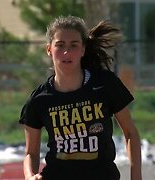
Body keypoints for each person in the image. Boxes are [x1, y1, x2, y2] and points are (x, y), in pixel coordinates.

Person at [19, 15, 142, 180]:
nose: (66, 52)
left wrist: (136, 176)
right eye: (60, 45)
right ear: (49, 49)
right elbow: (31, 153)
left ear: (83, 49)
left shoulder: (105, 84)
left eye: (74, 45)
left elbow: (130, 133)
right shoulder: (38, 100)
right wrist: (29, 176)